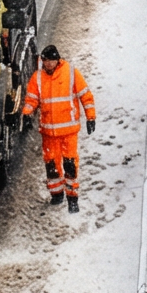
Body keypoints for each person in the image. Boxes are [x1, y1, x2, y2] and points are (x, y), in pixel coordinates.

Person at [19, 43, 97, 212]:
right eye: (45, 61)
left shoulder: (70, 73)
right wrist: (26, 113)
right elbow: (32, 99)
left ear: (57, 60)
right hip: (48, 132)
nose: (48, 64)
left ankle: (72, 197)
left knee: (70, 164)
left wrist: (91, 117)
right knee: (52, 165)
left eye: (51, 61)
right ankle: (56, 194)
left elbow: (85, 95)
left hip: (68, 132)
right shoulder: (37, 78)